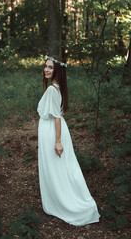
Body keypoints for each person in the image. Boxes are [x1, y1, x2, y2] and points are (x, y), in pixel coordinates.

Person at [37, 55, 100, 226]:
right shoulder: (56, 88)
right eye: (45, 66)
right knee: (61, 167)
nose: (46, 70)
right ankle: (62, 198)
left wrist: (57, 141)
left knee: (58, 168)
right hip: (54, 130)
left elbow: (57, 117)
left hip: (53, 132)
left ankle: (68, 202)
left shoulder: (52, 89)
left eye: (50, 67)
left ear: (57, 70)